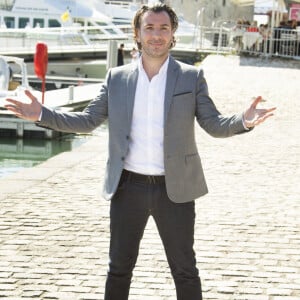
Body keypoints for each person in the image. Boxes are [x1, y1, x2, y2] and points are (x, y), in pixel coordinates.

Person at [4, 3, 276, 300]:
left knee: (185, 270)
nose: (156, 35)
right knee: (118, 269)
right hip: (127, 187)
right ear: (137, 33)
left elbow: (213, 124)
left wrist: (244, 120)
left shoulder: (191, 77)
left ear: (173, 35)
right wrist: (42, 114)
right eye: (149, 28)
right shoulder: (116, 78)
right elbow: (87, 120)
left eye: (163, 28)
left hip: (175, 190)